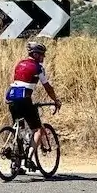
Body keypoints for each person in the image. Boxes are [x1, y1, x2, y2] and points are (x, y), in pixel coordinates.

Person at [5, 41, 61, 171]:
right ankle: (29, 159)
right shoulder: (38, 68)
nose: (43, 57)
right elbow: (47, 87)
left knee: (19, 129)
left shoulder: (19, 64)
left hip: (11, 97)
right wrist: (56, 100)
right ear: (35, 54)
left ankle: (16, 166)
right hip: (24, 99)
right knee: (38, 130)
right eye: (42, 55)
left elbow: (17, 83)